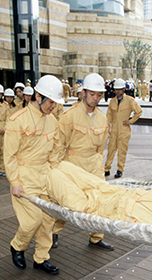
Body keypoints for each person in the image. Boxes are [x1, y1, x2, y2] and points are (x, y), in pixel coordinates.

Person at [4, 75, 63, 274]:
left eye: (56, 103)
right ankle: (18, 246)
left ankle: (41, 258)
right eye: (51, 102)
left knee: (47, 221)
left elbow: (55, 150)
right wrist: (14, 182)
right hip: (24, 175)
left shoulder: (52, 120)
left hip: (44, 175)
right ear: (38, 96)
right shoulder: (17, 120)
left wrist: (54, 174)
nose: (53, 106)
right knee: (32, 220)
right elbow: (9, 155)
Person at [50, 73, 112, 250]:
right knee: (64, 201)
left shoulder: (102, 117)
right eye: (92, 94)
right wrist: (56, 168)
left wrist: (98, 162)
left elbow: (102, 146)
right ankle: (53, 232)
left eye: (99, 95)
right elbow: (58, 144)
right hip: (72, 163)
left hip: (94, 164)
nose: (95, 98)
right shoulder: (69, 116)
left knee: (100, 200)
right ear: (83, 92)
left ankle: (96, 238)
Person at [47, 161, 152, 224]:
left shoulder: (149, 222)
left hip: (91, 206)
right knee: (65, 166)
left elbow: (120, 215)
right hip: (107, 189)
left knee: (53, 176)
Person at [104, 78, 143, 178]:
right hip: (114, 130)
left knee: (122, 151)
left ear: (123, 89)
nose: (118, 91)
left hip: (124, 130)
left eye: (119, 89)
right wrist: (107, 127)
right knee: (111, 149)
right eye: (116, 89)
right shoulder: (112, 102)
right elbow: (108, 116)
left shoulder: (129, 100)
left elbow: (139, 111)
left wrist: (130, 121)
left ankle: (120, 169)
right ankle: (107, 168)